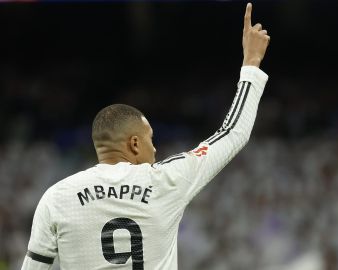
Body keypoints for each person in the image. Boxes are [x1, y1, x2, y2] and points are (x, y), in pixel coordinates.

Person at [21, 3, 270, 270]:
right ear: (134, 143)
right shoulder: (166, 180)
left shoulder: (57, 197)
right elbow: (232, 133)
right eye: (151, 139)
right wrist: (251, 64)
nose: (155, 149)